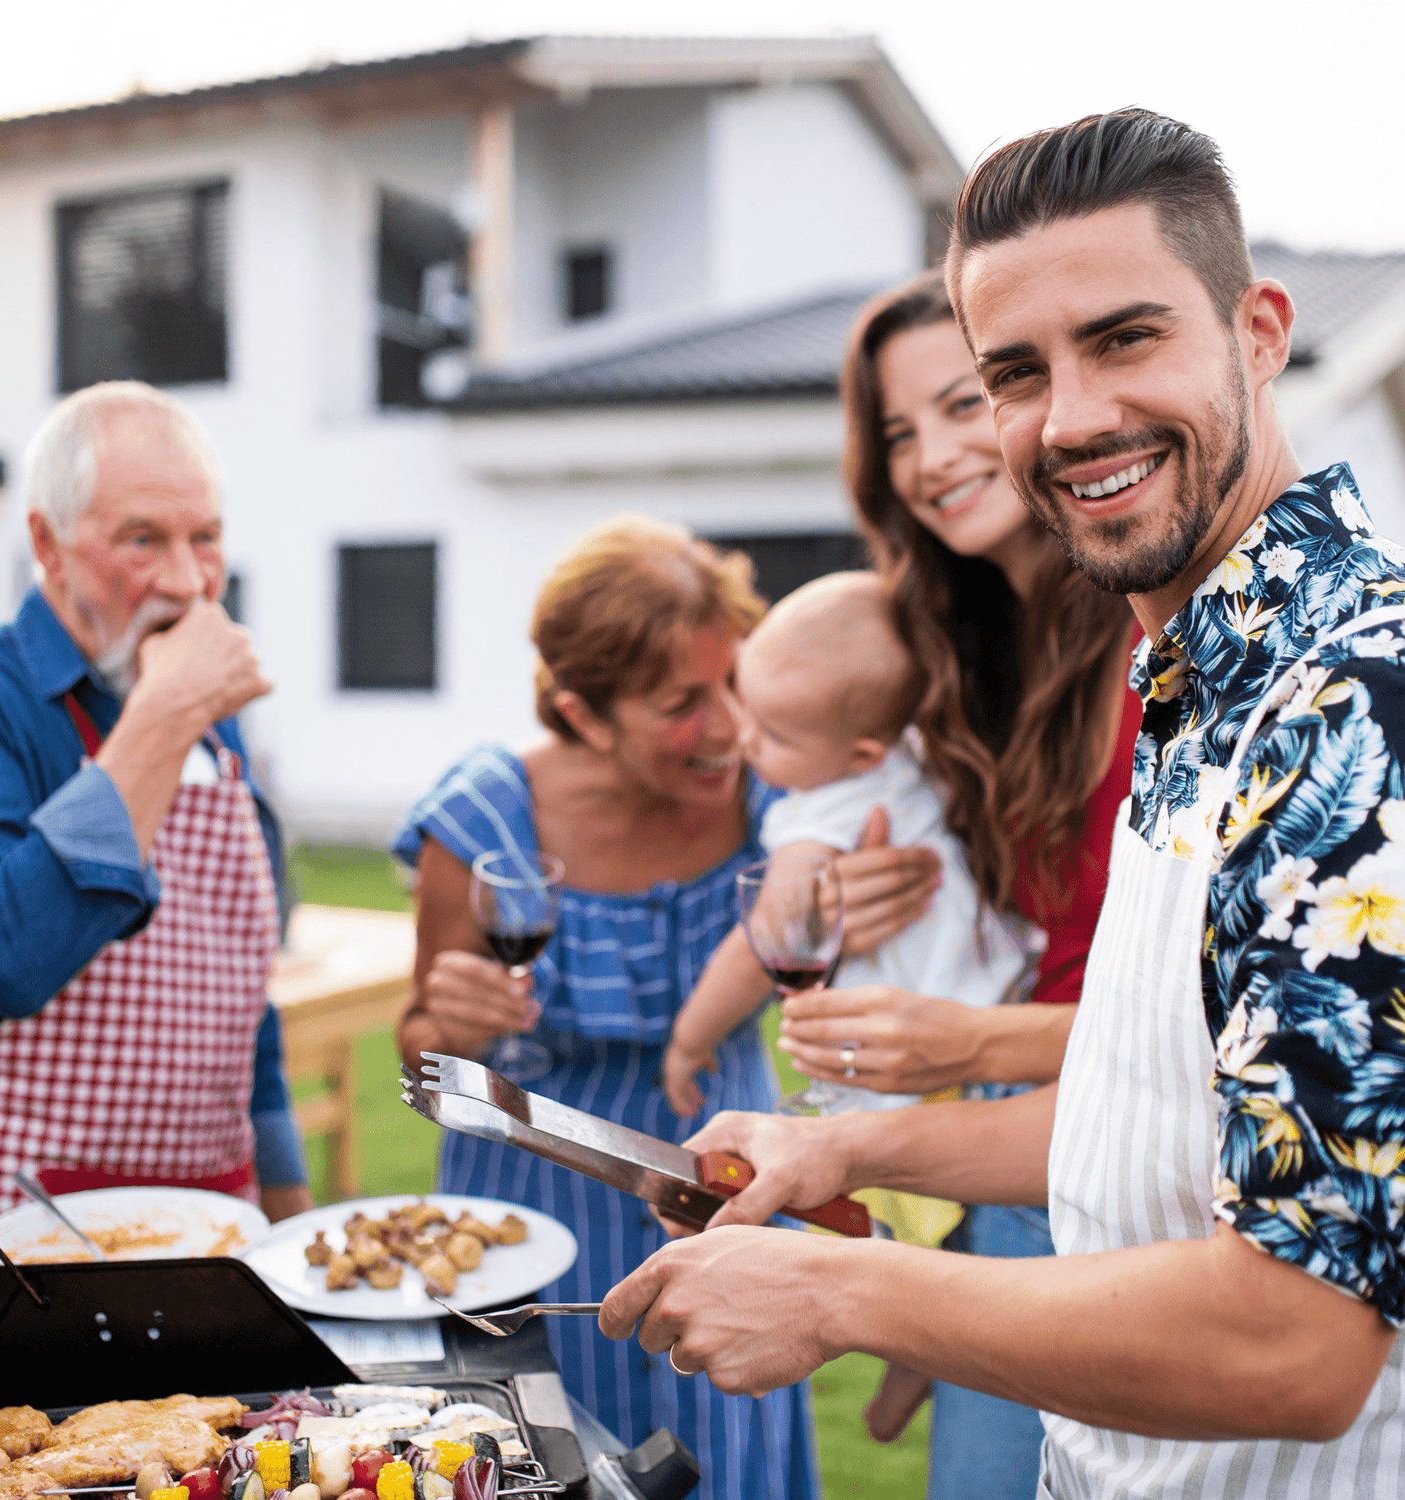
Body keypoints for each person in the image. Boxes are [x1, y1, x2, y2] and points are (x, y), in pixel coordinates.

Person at [599, 110, 1405, 1499]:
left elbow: (1300, 1340)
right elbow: (1160, 1114)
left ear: (1260, 332)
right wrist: (843, 1144)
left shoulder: (1350, 701)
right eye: (1016, 374)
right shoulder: (1192, 668)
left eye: (1127, 338)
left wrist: (843, 1296)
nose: (1074, 417)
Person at [393, 517, 939, 1500]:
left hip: (724, 1194)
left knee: (727, 1467)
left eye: (733, 681)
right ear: (584, 713)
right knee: (548, 1470)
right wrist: (450, 1027)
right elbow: (421, 1051)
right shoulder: (483, 820)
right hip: (531, 1219)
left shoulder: (776, 788)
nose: (731, 724)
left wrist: (881, 899)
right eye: (682, 703)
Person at [759, 267, 1140, 1489]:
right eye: (897, 434)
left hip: (1121, 1181)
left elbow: (1184, 1032)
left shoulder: (1153, 647)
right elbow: (822, 820)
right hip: (1018, 1166)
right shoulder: (957, 668)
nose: (929, 458)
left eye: (965, 402)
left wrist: (963, 1043)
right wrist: (844, 883)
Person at [0, 381, 311, 1223]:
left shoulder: (212, 721)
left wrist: (286, 1191)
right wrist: (162, 718)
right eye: (141, 540)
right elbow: (5, 954)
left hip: (210, 1220)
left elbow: (242, 990)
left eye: (205, 538)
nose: (188, 582)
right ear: (46, 545)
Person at [662, 570, 1030, 1126]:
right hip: (991, 1007)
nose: (745, 738)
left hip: (906, 1056)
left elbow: (771, 938)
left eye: (776, 736)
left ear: (860, 756)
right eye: (746, 705)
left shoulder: (826, 809)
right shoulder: (910, 755)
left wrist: (691, 1040)